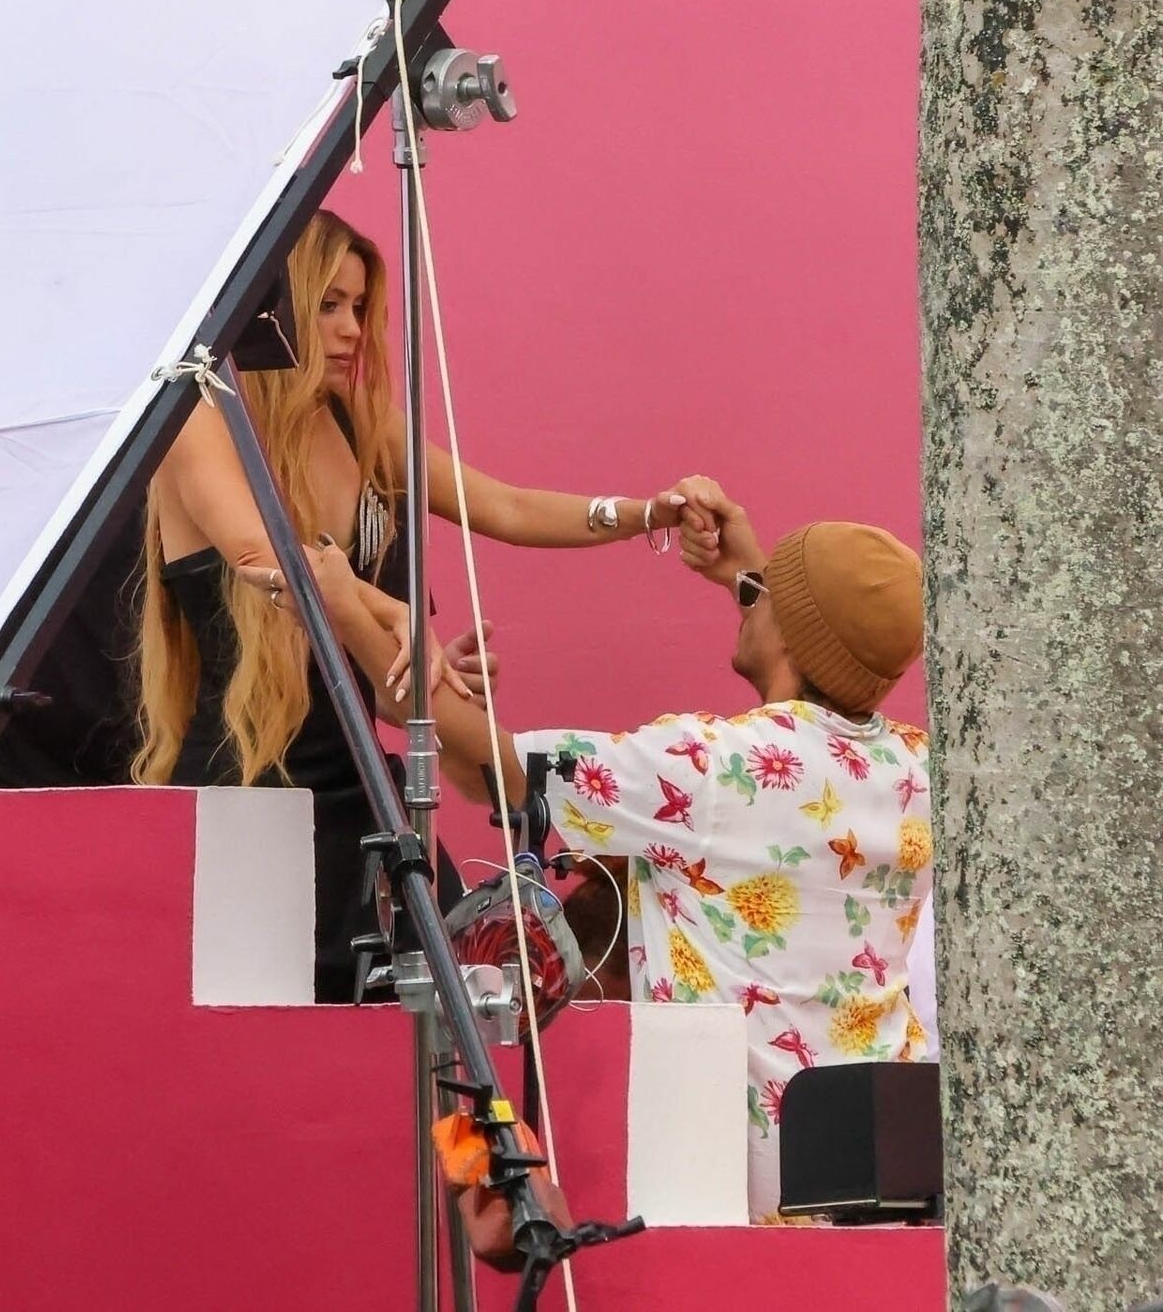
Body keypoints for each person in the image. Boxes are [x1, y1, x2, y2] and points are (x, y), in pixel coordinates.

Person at [266, 482, 933, 1218]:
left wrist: (343, 614)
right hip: (885, 1151)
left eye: (767, 591)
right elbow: (819, 659)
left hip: (746, 1167)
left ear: (791, 631)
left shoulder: (709, 768)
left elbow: (492, 767)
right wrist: (749, 579)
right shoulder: (920, 769)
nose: (754, 595)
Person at [135, 209, 711, 1002]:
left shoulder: (361, 425)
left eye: (359, 307)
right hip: (242, 787)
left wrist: (645, 513)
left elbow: (503, 505)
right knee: (259, 1026)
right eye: (328, 305)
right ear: (275, 308)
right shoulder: (199, 413)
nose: (350, 329)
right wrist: (390, 611)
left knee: (418, 1015)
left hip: (359, 789)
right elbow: (259, 556)